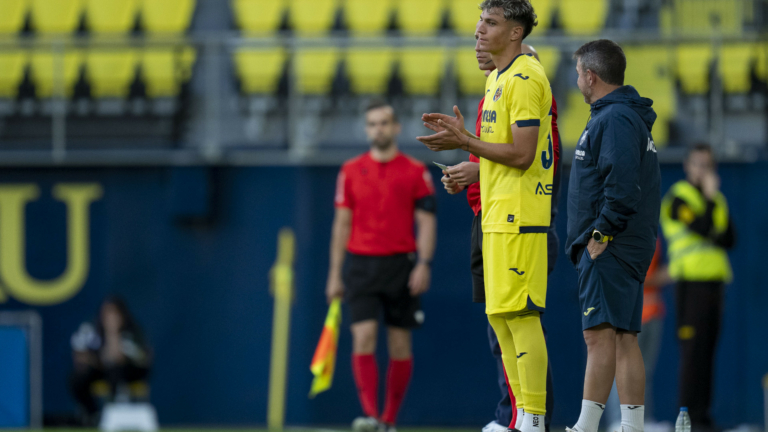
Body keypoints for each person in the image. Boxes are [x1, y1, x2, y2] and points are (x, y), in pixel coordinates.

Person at [418, 2, 553, 431]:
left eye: (491, 22)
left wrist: (466, 142)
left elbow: (523, 153)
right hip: (495, 213)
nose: (479, 29)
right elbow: (501, 156)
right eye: (481, 20)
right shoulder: (497, 78)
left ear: (516, 33)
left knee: (521, 315)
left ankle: (533, 418)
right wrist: (470, 165)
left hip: (521, 215)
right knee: (500, 318)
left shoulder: (527, 78)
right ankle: (519, 418)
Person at [564, 39, 661, 432]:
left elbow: (622, 186)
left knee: (599, 336)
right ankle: (631, 427)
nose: (576, 80)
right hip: (626, 244)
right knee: (623, 337)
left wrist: (600, 233)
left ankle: (587, 427)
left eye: (577, 73)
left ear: (591, 75)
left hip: (612, 244)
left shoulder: (615, 118)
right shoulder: (621, 115)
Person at [326, 100, 437, 432]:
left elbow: (427, 222)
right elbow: (341, 225)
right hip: (361, 265)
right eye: (373, 124)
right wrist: (334, 273)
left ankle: (389, 419)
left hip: (400, 266)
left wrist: (424, 264)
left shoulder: (416, 171)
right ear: (366, 129)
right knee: (363, 336)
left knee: (399, 342)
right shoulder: (350, 171)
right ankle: (372, 416)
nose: (379, 129)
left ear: (396, 127)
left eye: (384, 122)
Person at [659, 143, 735, 432]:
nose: (704, 170)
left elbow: (729, 238)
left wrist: (713, 204)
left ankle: (703, 418)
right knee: (692, 354)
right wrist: (711, 200)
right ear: (688, 166)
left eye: (709, 165)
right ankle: (687, 419)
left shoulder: (716, 199)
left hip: (715, 285)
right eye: (699, 164)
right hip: (690, 284)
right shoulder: (680, 198)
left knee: (708, 353)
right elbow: (704, 228)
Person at [603, 239, 672, 432]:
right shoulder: (618, 229)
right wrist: (664, 276)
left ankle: (643, 420)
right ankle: (619, 421)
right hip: (629, 314)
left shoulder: (653, 235)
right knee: (622, 369)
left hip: (652, 312)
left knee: (643, 371)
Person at [70, 296, 152, 425]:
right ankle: (93, 414)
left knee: (115, 371)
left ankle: (114, 413)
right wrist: (93, 360)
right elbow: (79, 355)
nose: (109, 317)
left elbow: (117, 359)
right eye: (106, 313)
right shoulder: (92, 329)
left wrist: (112, 332)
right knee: (77, 378)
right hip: (101, 369)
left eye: (113, 313)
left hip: (129, 372)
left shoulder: (132, 331)